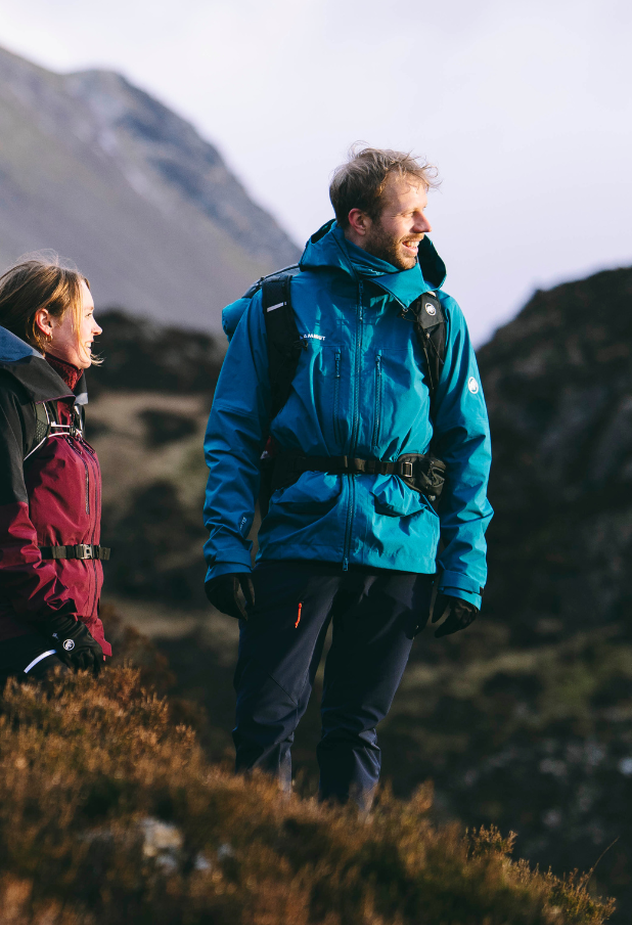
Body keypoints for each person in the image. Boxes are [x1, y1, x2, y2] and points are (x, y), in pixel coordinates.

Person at [202, 146, 492, 806]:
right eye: (409, 213)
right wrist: (224, 549)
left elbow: (470, 449)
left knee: (356, 730)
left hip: (401, 553)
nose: (424, 226)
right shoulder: (277, 306)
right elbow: (232, 437)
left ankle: (339, 878)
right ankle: (256, 872)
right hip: (298, 544)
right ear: (359, 220)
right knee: (265, 721)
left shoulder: (439, 318)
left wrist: (463, 568)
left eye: (425, 212)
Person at [0, 255, 111, 685]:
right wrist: (60, 622)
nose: (97, 329)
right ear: (45, 321)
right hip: (7, 625)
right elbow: (2, 530)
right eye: (88, 316)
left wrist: (77, 628)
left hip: (62, 625)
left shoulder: (61, 406)